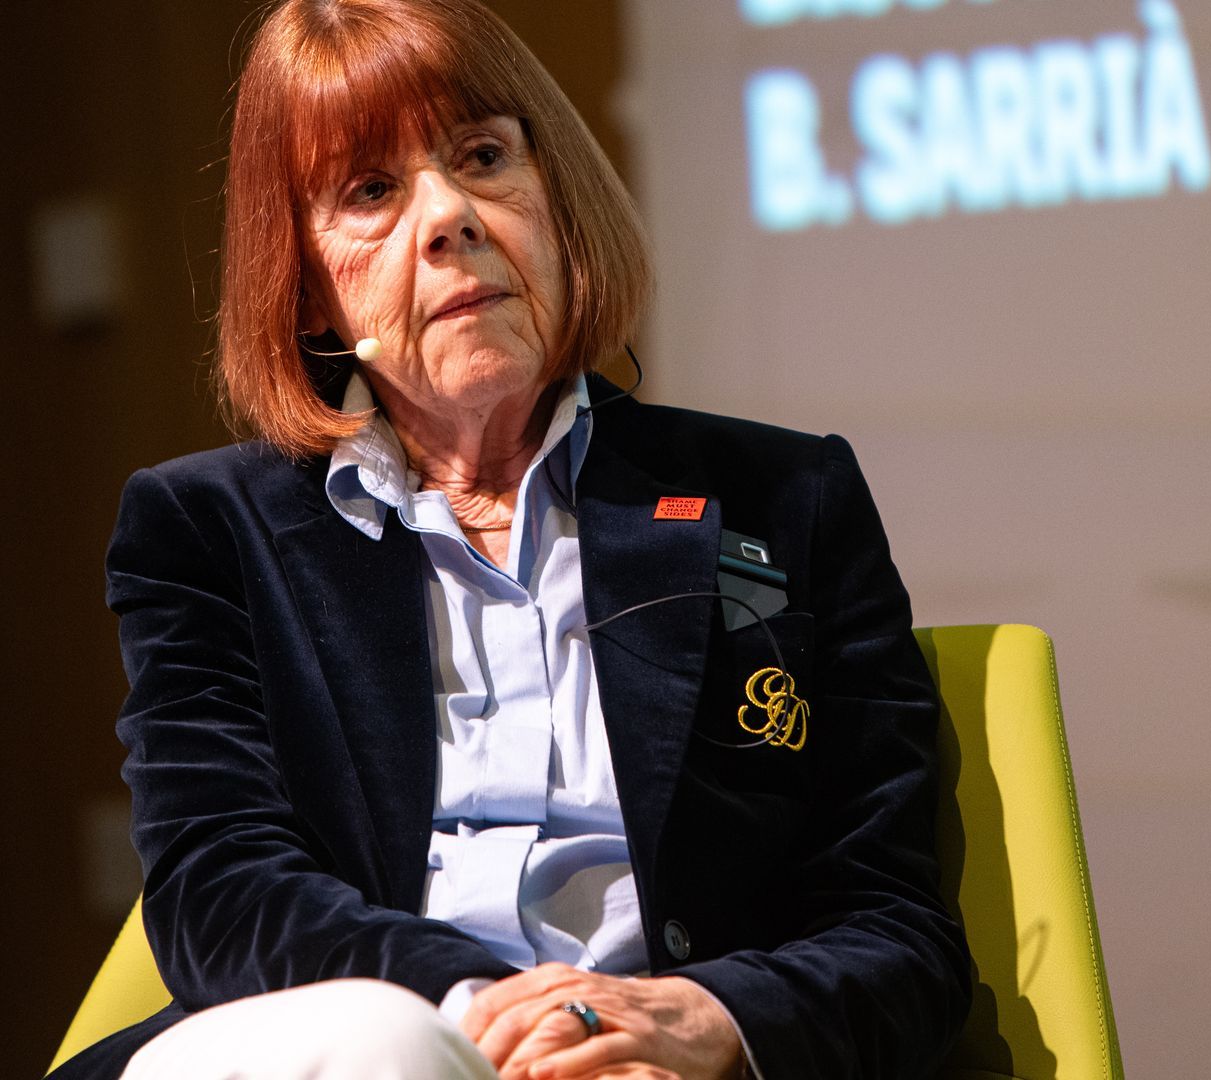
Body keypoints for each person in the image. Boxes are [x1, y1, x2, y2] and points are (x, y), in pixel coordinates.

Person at [48, 1, 970, 1078]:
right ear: (306, 287)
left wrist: (698, 1023)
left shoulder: (783, 499)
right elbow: (222, 892)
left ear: (556, 196)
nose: (448, 217)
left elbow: (896, 931)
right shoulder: (208, 530)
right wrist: (490, 1014)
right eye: (370, 192)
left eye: (483, 156)